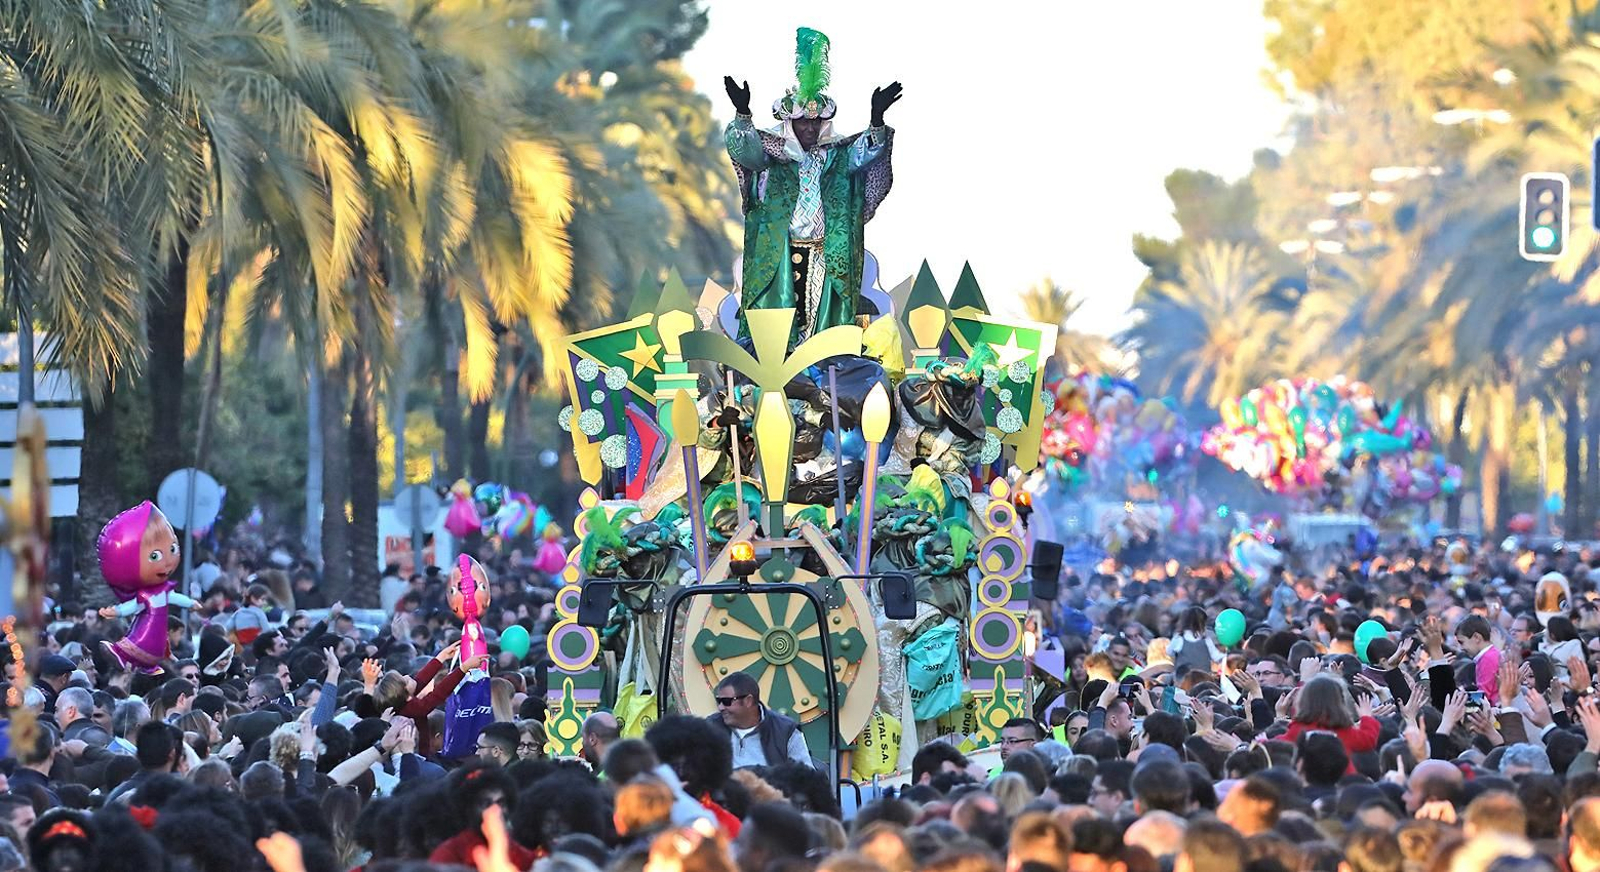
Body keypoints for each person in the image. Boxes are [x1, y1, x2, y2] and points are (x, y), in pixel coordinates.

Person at [721, 27, 898, 347]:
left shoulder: (835, 156)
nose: (808, 128)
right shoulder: (771, 154)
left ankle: (824, 387)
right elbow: (743, 150)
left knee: (823, 336)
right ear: (789, 122)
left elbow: (867, 153)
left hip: (824, 256)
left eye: (815, 122)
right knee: (775, 337)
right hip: (779, 258)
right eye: (802, 121)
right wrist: (743, 113)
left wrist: (876, 119)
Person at [703, 672, 812, 769]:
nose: (721, 707)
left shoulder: (785, 730)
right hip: (721, 791)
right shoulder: (711, 727)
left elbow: (807, 777)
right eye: (718, 701)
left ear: (748, 701)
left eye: (726, 701)